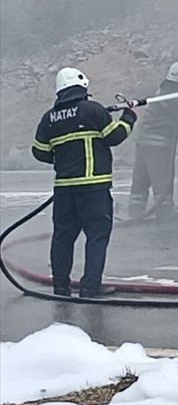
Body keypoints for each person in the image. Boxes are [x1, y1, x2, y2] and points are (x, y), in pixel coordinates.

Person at [31, 67, 138, 298]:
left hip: (64, 191)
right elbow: (114, 136)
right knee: (97, 236)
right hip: (94, 189)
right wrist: (129, 117)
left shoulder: (49, 118)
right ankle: (90, 287)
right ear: (82, 86)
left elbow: (38, 151)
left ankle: (60, 286)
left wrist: (62, 157)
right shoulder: (93, 110)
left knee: (63, 237)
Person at [129, 61, 178, 218]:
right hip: (156, 145)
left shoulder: (165, 90)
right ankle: (165, 217)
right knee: (163, 184)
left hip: (142, 141)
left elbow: (173, 111)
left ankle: (134, 215)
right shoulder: (171, 96)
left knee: (140, 182)